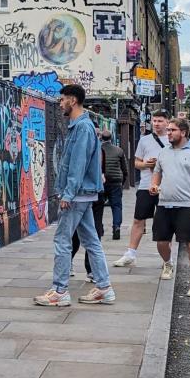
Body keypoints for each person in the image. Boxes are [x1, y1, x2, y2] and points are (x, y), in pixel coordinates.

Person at [35, 84, 115, 307]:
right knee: (91, 240)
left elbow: (77, 165)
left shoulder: (82, 128)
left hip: (77, 195)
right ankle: (104, 288)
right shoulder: (81, 126)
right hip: (84, 194)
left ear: (72, 100)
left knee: (62, 240)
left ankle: (59, 291)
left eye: (62, 100)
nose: (60, 104)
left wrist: (68, 195)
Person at [148, 118, 190, 294]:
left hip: (188, 204)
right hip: (164, 203)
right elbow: (157, 172)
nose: (168, 133)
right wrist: (154, 185)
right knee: (161, 242)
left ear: (183, 132)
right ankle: (168, 263)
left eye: (172, 130)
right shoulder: (164, 152)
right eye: (167, 130)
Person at [113, 110, 170, 269]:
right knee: (138, 220)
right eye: (154, 121)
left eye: (160, 121)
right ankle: (130, 254)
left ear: (167, 122)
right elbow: (136, 163)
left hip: (166, 187)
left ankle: (167, 260)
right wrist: (146, 164)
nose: (156, 124)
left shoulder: (173, 139)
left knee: (164, 223)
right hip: (146, 185)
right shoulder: (145, 140)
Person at [99, 130, 128, 240]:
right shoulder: (119, 150)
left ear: (101, 138)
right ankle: (116, 227)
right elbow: (124, 169)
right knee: (116, 206)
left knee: (99, 206)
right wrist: (122, 181)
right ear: (111, 138)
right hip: (116, 182)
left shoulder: (98, 150)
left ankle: (100, 228)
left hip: (101, 181)